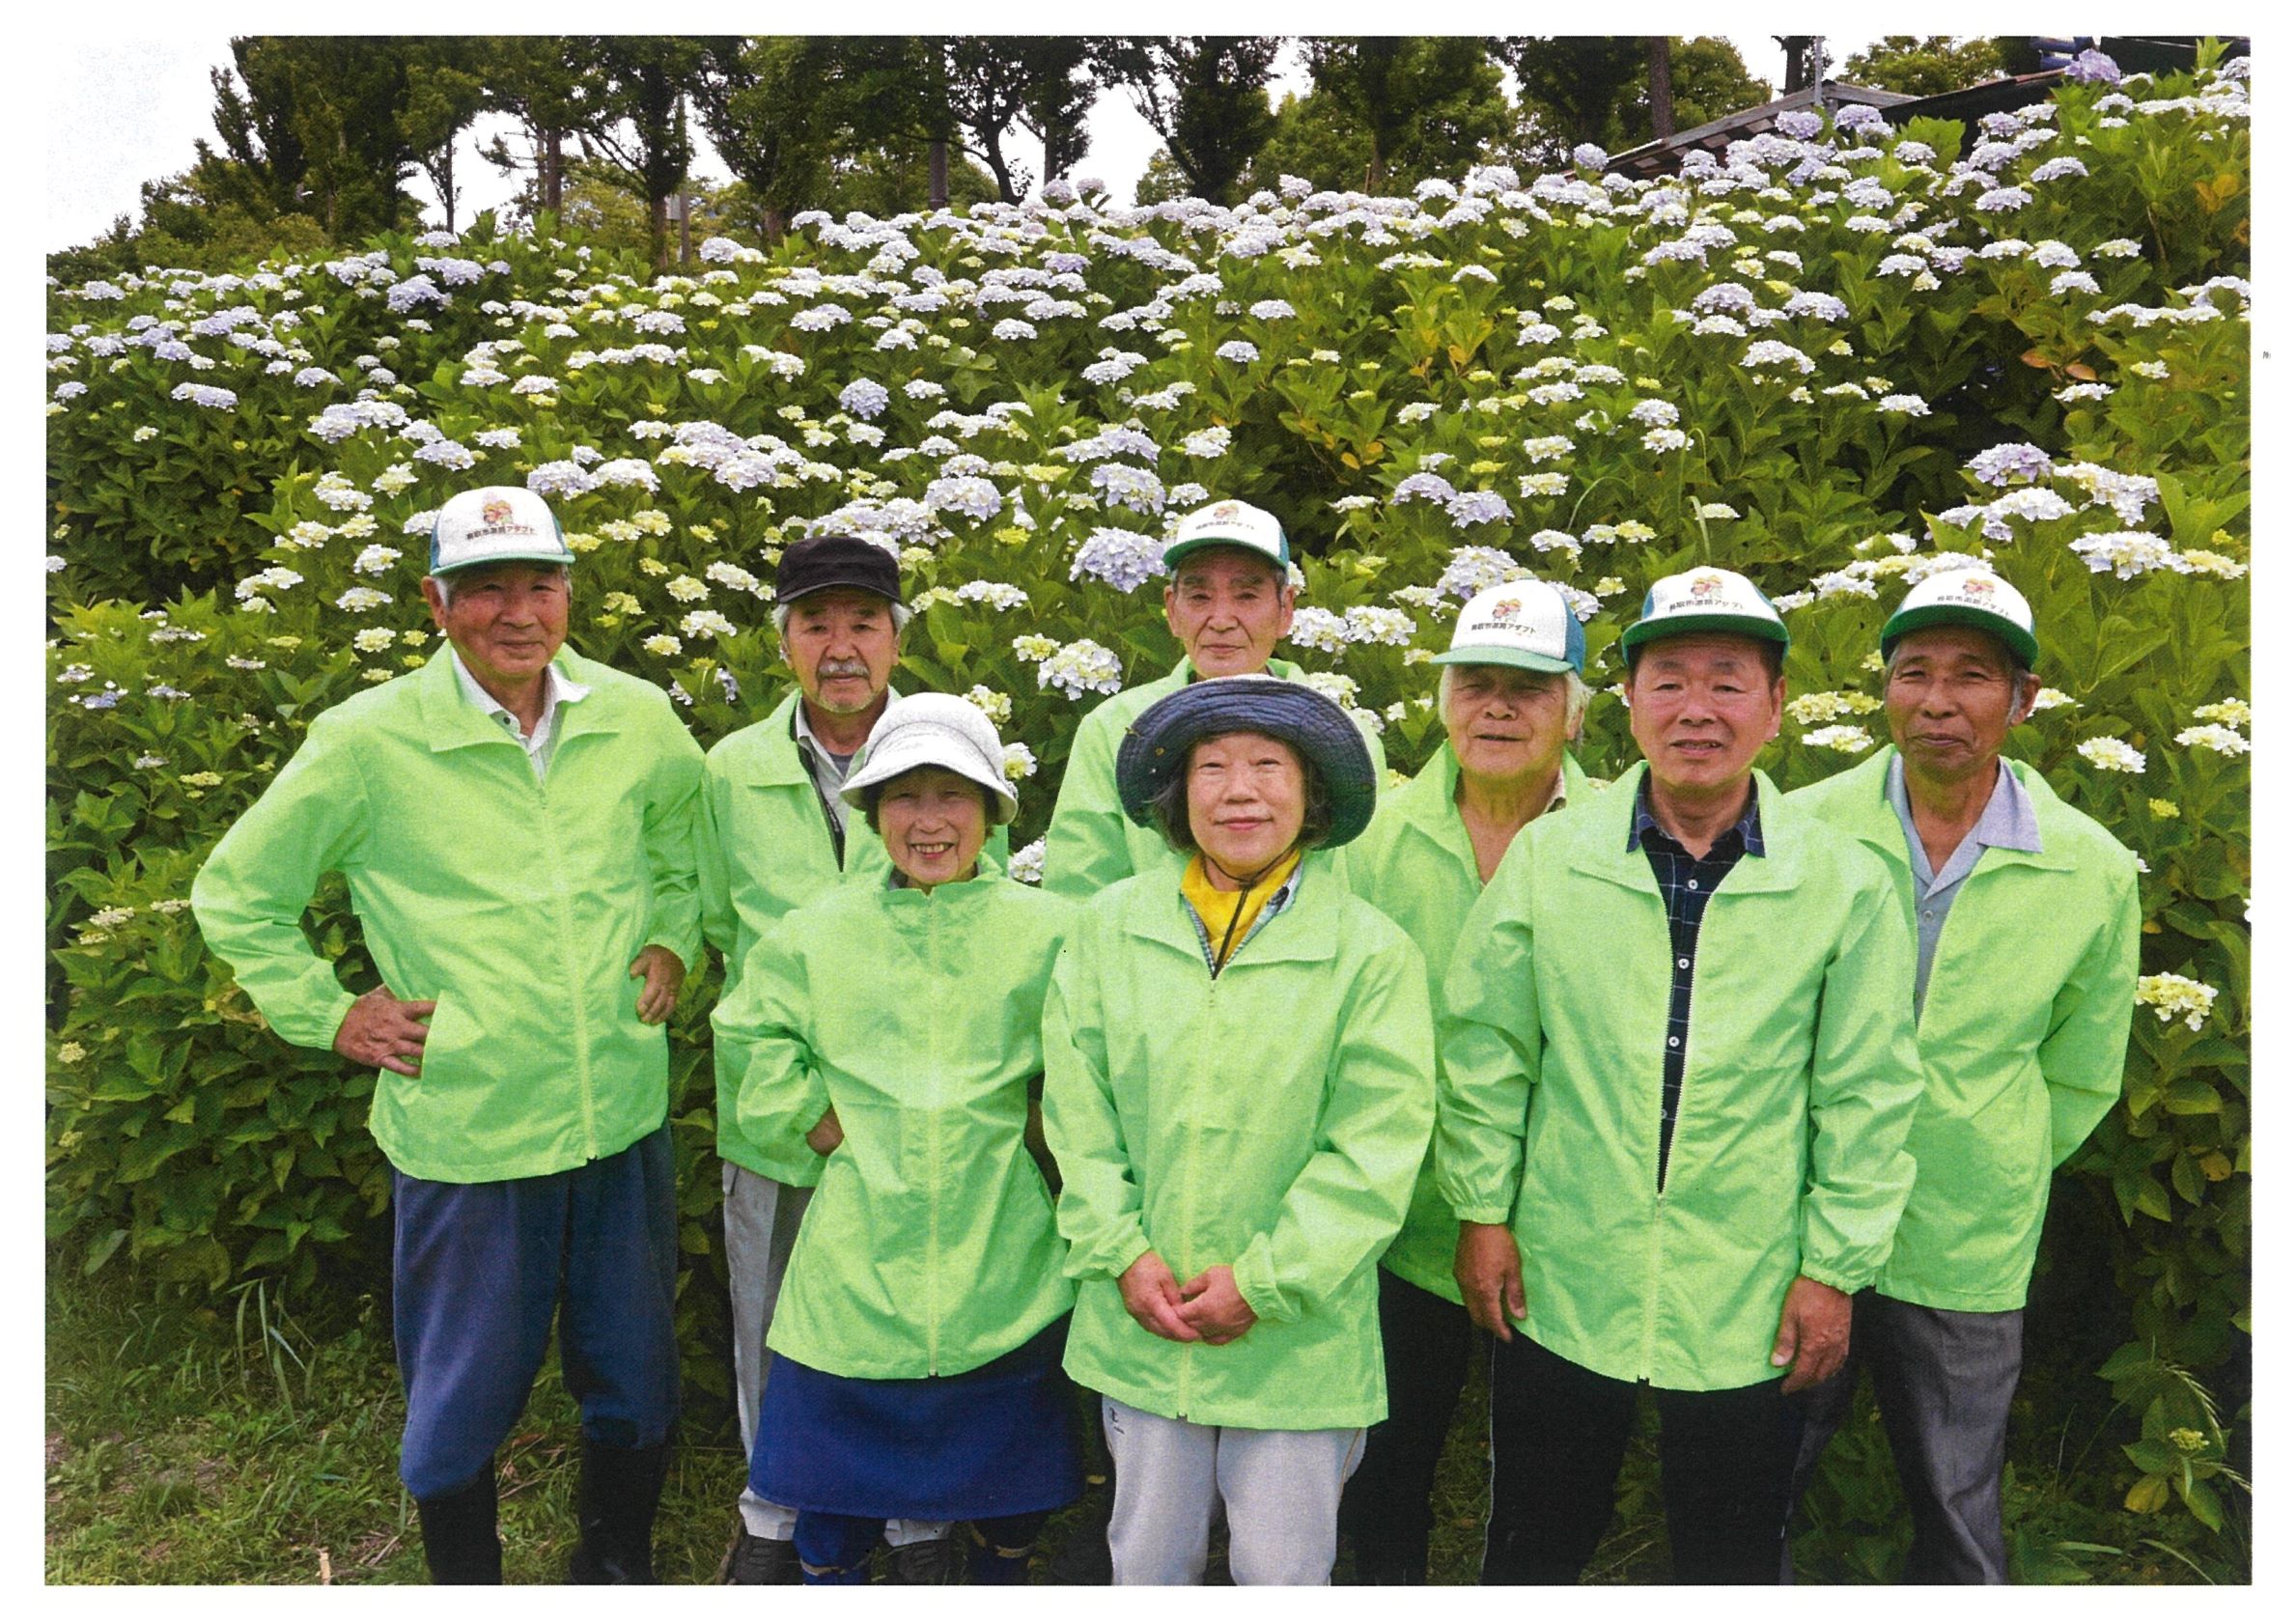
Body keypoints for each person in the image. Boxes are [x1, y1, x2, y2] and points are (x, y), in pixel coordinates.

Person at [191, 485, 703, 1584]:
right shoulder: (367, 742)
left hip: (620, 1112)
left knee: (632, 1374)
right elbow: (236, 892)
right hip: (469, 1132)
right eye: (485, 589)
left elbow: (679, 843)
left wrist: (670, 935)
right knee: (462, 1399)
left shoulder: (633, 713)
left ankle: (614, 1565)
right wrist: (331, 1011)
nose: (518, 611)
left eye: (539, 582)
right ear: (434, 602)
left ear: (568, 590)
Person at [1441, 566, 1924, 1583]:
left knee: (1730, 1549)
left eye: (1726, 680)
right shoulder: (1551, 857)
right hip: (1563, 1265)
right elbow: (1486, 1048)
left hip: (1747, 1282)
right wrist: (1481, 1210)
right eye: (1666, 680)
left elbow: (1866, 1092)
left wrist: (1832, 1268)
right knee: (1535, 1535)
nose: (1694, 709)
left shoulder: (1841, 882)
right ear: (1627, 703)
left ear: (1775, 704)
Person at [1783, 568, 2142, 1582]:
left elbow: (2079, 1071)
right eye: (1912, 672)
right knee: (1759, 1472)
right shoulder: (1799, 829)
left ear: (2021, 701)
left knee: (1953, 1492)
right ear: (1884, 689)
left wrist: (1997, 1150)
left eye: (1971, 676)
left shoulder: (2090, 866)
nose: (1936, 701)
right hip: (1793, 1212)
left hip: (1965, 1226)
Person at [1043, 676, 1434, 1585]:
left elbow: (1375, 1149)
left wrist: (1265, 1281)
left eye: (1268, 765)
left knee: (1284, 1571)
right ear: (1177, 798)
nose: (1239, 789)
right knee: (1144, 1561)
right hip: (1144, 1316)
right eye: (1210, 767)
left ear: (1314, 795)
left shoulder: (1372, 952)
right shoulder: (1107, 929)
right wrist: (1121, 1253)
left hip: (1297, 1336)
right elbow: (1078, 1109)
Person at [716, 694, 1082, 1585]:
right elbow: (749, 1032)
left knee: (1013, 1488)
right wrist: (810, 1115)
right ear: (872, 810)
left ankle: (996, 1577)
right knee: (828, 1493)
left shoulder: (1051, 930)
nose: (928, 821)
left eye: (953, 795)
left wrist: (1054, 1129)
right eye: (903, 796)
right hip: (857, 1261)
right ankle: (825, 1577)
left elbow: (1098, 1053)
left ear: (992, 811)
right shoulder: (817, 933)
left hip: (1001, 1256)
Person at [1335, 579, 1605, 1584]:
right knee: (1387, 1458)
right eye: (1476, 682)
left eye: (1528, 688)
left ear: (1574, 710)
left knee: (1551, 1467)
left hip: (1564, 1211)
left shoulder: (1621, 835)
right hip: (1399, 1207)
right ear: (1442, 697)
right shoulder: (1366, 842)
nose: (1498, 706)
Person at [697, 533, 918, 1582]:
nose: (840, 646)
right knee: (772, 1317)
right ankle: (772, 1513)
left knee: (916, 1304)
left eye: (862, 622)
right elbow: (701, 915)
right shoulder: (730, 767)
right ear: (781, 639)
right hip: (774, 1108)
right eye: (816, 623)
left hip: (908, 1105)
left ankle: (914, 1517)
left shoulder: (938, 751)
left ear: (895, 638)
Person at [1040, 497, 1384, 898]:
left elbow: (1365, 886)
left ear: (1286, 609)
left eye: (1247, 596)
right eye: (1200, 597)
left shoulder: (1345, 734)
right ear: (1172, 609)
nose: (1221, 620)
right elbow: (1079, 892)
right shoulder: (1114, 727)